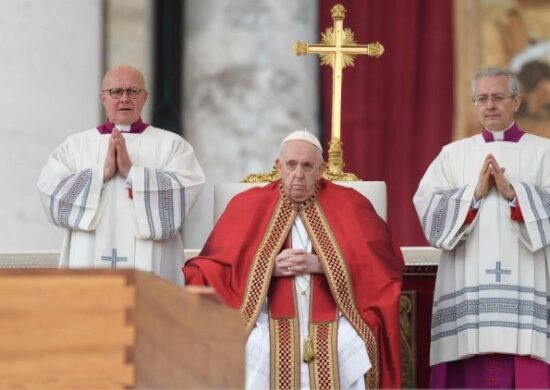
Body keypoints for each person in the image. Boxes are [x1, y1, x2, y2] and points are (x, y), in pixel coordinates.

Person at [183, 131, 403, 389]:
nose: (298, 174)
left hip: (337, 318)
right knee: (254, 346)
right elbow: (211, 268)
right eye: (291, 165)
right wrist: (266, 268)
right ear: (278, 166)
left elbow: (384, 267)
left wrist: (324, 265)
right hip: (266, 317)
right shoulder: (247, 205)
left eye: (307, 166)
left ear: (321, 169)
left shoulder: (352, 205)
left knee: (349, 344)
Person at [413, 67, 550, 388]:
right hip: (467, 279)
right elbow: (428, 204)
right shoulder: (453, 155)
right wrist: (472, 195)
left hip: (527, 281)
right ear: (474, 104)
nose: (490, 105)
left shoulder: (544, 152)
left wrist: (514, 194)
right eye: (482, 98)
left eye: (499, 97)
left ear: (517, 101)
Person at [37, 65, 205, 285]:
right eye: (116, 92)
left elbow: (185, 189)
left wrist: (133, 173)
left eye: (132, 91)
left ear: (144, 97)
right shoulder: (76, 145)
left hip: (150, 262)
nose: (124, 98)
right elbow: (50, 191)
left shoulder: (172, 145)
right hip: (88, 257)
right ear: (103, 98)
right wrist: (100, 175)